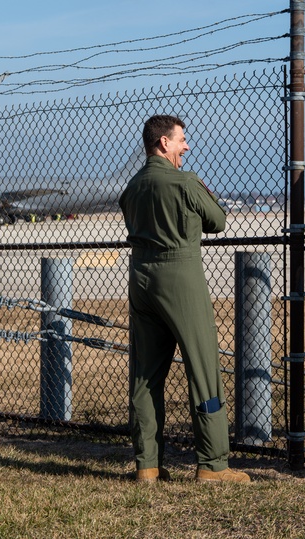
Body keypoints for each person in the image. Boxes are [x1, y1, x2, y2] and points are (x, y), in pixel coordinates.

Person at [119, 115, 250, 484]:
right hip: (181, 276)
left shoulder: (132, 187)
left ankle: (147, 464)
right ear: (164, 143)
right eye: (182, 140)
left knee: (145, 373)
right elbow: (218, 221)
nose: (186, 147)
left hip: (141, 279)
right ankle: (213, 463)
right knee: (204, 369)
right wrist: (199, 191)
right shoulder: (186, 182)